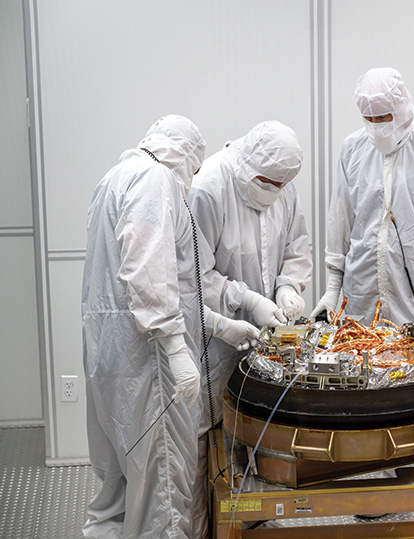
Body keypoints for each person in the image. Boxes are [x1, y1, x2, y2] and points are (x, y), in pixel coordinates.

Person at [82, 115, 259, 538]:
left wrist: (219, 325)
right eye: (194, 171)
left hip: (113, 356)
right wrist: (178, 351)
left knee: (119, 491)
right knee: (162, 492)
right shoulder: (155, 179)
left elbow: (153, 286)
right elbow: (149, 274)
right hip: (150, 366)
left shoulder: (114, 178)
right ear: (186, 158)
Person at [186, 120, 310, 536]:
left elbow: (296, 246)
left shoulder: (282, 184)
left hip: (266, 341)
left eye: (281, 185)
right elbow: (195, 274)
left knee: (260, 429)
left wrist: (288, 286)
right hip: (215, 337)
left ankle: (257, 521)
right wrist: (248, 301)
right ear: (248, 164)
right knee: (212, 437)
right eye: (267, 183)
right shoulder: (210, 188)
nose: (274, 191)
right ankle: (209, 527)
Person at [311, 67, 414, 352]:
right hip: (362, 292)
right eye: (369, 119)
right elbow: (340, 218)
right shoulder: (352, 149)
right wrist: (333, 287)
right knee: (362, 363)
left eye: (383, 118)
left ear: (402, 108)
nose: (376, 126)